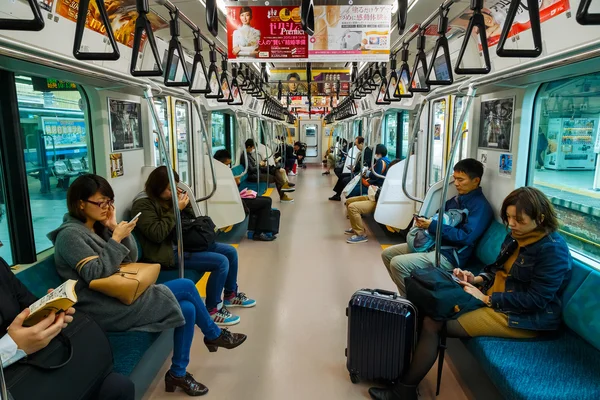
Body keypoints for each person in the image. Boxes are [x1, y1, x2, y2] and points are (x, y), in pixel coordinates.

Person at [48, 174, 247, 396]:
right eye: (100, 202)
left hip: (121, 293)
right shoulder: (70, 236)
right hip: (101, 307)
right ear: (80, 203)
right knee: (186, 286)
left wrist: (114, 228)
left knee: (188, 308)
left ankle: (178, 373)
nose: (106, 207)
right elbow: (94, 274)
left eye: (109, 202)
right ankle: (212, 333)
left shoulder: (99, 226)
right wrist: (115, 239)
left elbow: (131, 258)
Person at [369, 187, 572, 400]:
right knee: (427, 304)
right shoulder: (516, 237)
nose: (511, 224)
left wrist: (486, 298)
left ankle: (404, 391)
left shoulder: (552, 250)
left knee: (433, 323)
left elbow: (537, 300)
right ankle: (400, 372)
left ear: (540, 218)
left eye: (519, 220)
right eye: (509, 218)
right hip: (493, 299)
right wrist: (475, 279)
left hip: (520, 317)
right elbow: (496, 270)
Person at [132, 167, 257, 327]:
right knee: (220, 262)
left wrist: (186, 204)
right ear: (157, 187)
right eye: (169, 189)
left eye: (174, 188)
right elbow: (157, 233)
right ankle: (213, 309)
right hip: (167, 253)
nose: (172, 192)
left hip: (184, 244)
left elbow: (190, 221)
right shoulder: (142, 204)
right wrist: (177, 209)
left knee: (230, 252)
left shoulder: (167, 199)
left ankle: (230, 295)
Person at [0, 257, 134, 400]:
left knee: (119, 386)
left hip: (34, 360)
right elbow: (96, 272)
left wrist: (50, 309)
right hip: (12, 381)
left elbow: (27, 305)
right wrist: (12, 346)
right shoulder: (69, 237)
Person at [381, 159, 494, 296]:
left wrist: (433, 226)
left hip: (449, 255)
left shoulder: (480, 207)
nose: (456, 184)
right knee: (388, 254)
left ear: (476, 180)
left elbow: (465, 237)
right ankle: (410, 294)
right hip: (435, 244)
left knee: (398, 264)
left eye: (461, 180)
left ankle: (412, 305)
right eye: (455, 179)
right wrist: (426, 223)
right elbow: (438, 216)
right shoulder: (457, 199)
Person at [214, 149, 276, 242]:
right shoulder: (216, 174)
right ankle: (258, 233)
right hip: (233, 201)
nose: (228, 167)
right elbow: (225, 192)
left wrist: (237, 184)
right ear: (219, 163)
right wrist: (236, 183)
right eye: (226, 164)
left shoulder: (220, 172)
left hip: (237, 197)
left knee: (266, 200)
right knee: (266, 202)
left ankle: (255, 230)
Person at [345, 158, 400, 244]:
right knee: (349, 201)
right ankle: (356, 226)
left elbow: (388, 196)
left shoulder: (399, 181)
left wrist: (376, 191)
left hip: (379, 201)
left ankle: (360, 235)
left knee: (353, 207)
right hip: (376, 196)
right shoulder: (392, 178)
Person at [242, 138, 295, 203]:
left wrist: (262, 165)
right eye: (252, 148)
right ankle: (283, 191)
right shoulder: (245, 156)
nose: (253, 150)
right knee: (276, 177)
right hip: (253, 176)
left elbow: (254, 167)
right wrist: (260, 165)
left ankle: (284, 188)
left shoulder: (248, 155)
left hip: (257, 173)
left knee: (276, 170)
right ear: (248, 146)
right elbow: (251, 169)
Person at [329, 137, 365, 201]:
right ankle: (337, 194)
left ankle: (344, 196)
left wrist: (354, 168)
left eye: (357, 144)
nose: (356, 146)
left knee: (343, 178)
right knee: (341, 175)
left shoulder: (365, 153)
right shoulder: (357, 150)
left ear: (362, 144)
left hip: (358, 173)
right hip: (355, 170)